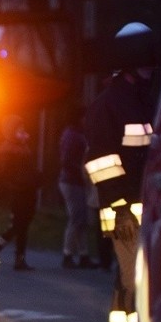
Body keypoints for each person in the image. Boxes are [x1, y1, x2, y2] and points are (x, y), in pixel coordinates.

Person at [83, 21, 158, 322]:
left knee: (129, 278)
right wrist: (120, 207)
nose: (150, 64)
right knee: (134, 280)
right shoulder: (108, 104)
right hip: (124, 209)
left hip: (148, 206)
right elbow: (102, 163)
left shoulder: (144, 100)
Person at [0, 114, 40, 271]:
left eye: (23, 127)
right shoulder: (7, 149)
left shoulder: (24, 147)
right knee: (18, 225)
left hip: (29, 191)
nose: (22, 130)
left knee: (23, 226)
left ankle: (20, 259)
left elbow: (29, 169)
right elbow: (6, 173)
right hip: (19, 191)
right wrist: (16, 185)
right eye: (18, 127)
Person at [58, 105, 98, 269]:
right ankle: (67, 254)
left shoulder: (76, 134)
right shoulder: (72, 136)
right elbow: (66, 160)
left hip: (76, 181)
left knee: (81, 219)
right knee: (76, 217)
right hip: (71, 181)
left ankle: (83, 254)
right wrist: (82, 170)